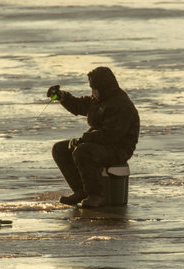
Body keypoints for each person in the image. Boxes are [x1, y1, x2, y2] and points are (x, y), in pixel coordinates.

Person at [48, 66, 140, 207]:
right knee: (60, 149)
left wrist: (83, 140)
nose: (93, 92)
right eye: (92, 88)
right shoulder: (100, 99)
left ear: (104, 86)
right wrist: (62, 97)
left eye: (95, 88)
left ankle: (96, 195)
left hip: (119, 149)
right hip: (101, 144)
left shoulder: (121, 105)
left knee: (82, 151)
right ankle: (81, 191)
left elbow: (110, 135)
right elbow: (81, 105)